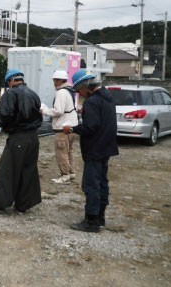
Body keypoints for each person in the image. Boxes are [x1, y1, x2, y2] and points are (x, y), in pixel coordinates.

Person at [63, 69, 118, 232]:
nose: (79, 94)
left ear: (86, 86)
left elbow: (90, 127)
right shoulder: (107, 97)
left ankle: (91, 221)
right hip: (106, 147)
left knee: (91, 185)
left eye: (79, 90)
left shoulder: (92, 102)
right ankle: (100, 217)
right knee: (102, 183)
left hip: (94, 148)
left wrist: (72, 129)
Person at [0, 69, 43, 213]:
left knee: (7, 170)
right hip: (33, 137)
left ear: (11, 81)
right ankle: (24, 204)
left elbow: (6, 114)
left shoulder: (10, 94)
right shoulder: (33, 94)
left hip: (18, 137)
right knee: (28, 170)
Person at [41, 70, 79, 183]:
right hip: (72, 125)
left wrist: (44, 111)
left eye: (55, 80)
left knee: (61, 152)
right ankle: (71, 172)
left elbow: (58, 111)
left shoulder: (61, 92)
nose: (54, 83)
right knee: (69, 151)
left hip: (62, 127)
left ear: (59, 80)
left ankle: (65, 175)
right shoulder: (71, 91)